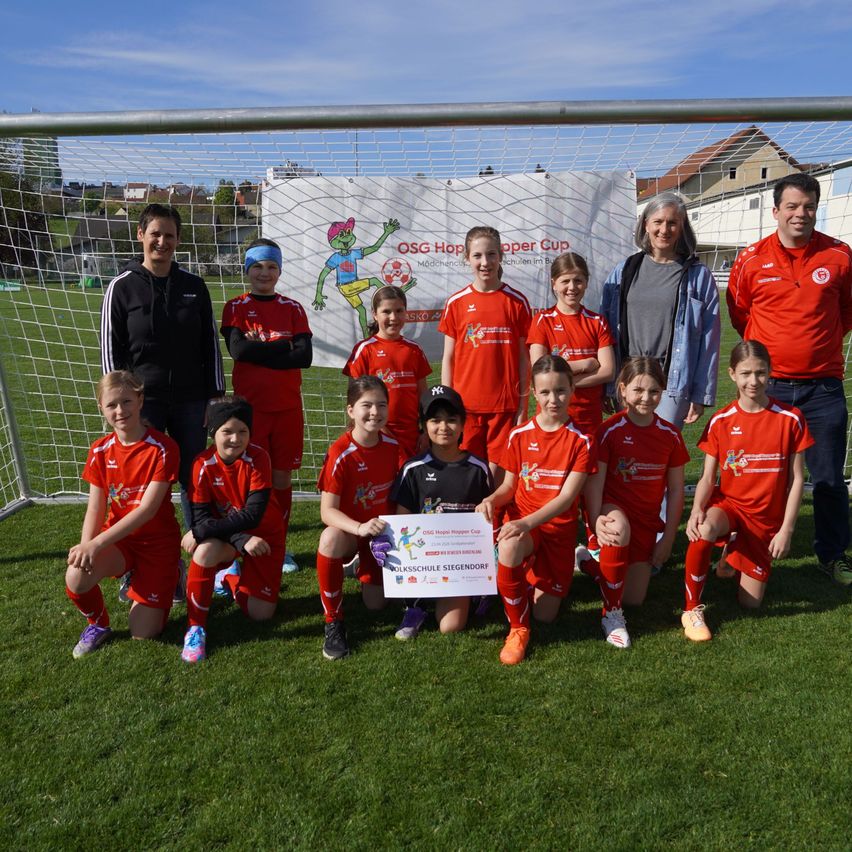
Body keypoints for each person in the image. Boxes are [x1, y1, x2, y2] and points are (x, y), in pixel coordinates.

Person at [726, 172, 852, 587]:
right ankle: (739, 550)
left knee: (829, 477)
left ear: (817, 209)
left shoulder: (840, 256)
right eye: (793, 206)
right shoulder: (750, 258)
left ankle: (833, 555)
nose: (801, 214)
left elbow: (847, 312)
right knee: (757, 476)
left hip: (823, 388)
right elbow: (740, 314)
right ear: (776, 210)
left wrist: (820, 344)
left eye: (809, 206)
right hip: (769, 387)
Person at [100, 203, 224, 599]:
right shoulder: (121, 286)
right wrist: (119, 405)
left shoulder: (194, 285)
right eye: (155, 233)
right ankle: (136, 567)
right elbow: (111, 353)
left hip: (191, 401)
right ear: (141, 235)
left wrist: (214, 397)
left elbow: (210, 345)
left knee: (193, 480)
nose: (162, 241)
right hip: (142, 405)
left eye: (169, 235)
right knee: (138, 487)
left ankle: (199, 563)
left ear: (178, 240)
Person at [681, 341, 813, 640]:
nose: (753, 381)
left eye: (760, 373)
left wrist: (786, 531)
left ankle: (731, 554)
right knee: (703, 531)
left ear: (770, 373)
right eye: (746, 373)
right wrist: (697, 510)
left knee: (750, 604)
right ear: (732, 374)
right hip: (730, 507)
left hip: (765, 519)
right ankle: (692, 610)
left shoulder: (791, 418)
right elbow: (706, 477)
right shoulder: (722, 420)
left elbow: (795, 481)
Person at [477, 355, 594, 665]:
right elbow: (509, 487)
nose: (553, 399)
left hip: (557, 531)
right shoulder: (519, 435)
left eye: (560, 391)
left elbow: (567, 499)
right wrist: (492, 500)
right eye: (544, 392)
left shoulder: (581, 441)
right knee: (510, 545)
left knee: (547, 615)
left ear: (572, 389)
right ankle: (518, 629)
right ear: (533, 392)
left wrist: (526, 522)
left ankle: (536, 575)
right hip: (524, 527)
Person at [64, 371, 181, 657]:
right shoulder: (100, 451)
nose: (120, 410)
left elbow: (146, 510)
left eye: (127, 401)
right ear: (101, 408)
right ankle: (98, 624)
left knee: (143, 634)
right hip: (120, 542)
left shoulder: (163, 448)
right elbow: (96, 507)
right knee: (76, 576)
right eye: (112, 405)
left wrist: (97, 544)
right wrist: (86, 546)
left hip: (157, 544)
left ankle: (173, 572)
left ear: (140, 401)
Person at [575, 358, 689, 648]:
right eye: (638, 390)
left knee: (635, 599)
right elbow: (594, 483)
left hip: (647, 524)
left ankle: (588, 563)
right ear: (623, 390)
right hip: (613, 514)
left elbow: (676, 490)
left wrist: (668, 539)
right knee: (618, 525)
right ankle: (611, 615)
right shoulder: (609, 431)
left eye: (653, 392)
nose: (646, 398)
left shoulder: (670, 436)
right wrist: (595, 521)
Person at [221, 238, 312, 573]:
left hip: (287, 407)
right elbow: (240, 352)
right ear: (247, 270)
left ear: (280, 270)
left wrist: (262, 347)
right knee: (249, 478)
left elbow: (304, 357)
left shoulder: (293, 308)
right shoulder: (236, 306)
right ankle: (242, 545)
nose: (264, 273)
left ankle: (279, 545)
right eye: (257, 266)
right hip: (249, 411)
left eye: (271, 266)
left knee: (281, 477)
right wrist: (282, 347)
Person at [600, 192, 720, 430]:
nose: (664, 229)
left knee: (661, 454)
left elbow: (709, 339)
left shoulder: (698, 276)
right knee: (627, 456)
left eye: (672, 222)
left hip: (672, 381)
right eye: (658, 222)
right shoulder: (624, 270)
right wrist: (609, 386)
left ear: (682, 227)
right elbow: (606, 329)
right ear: (646, 224)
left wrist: (701, 393)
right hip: (628, 378)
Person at [178, 397, 285, 663]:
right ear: (213, 432)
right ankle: (195, 628)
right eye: (227, 431)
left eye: (243, 431)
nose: (235, 439)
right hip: (236, 538)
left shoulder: (259, 458)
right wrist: (238, 538)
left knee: (261, 615)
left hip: (265, 537)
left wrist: (212, 533)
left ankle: (229, 579)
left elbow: (253, 514)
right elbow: (200, 517)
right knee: (203, 552)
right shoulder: (201, 464)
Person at [388, 385, 493, 639]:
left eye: (451, 420)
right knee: (378, 599)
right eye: (435, 420)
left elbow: (488, 521)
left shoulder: (478, 468)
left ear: (463, 424)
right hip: (425, 559)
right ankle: (415, 607)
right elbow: (403, 520)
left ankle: (476, 591)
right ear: (423, 424)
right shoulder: (413, 468)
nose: (444, 427)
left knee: (450, 626)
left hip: (460, 563)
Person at [315, 376, 399, 660]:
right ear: (351, 410)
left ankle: (360, 567)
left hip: (380, 537)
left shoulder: (393, 446)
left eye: (381, 405)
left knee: (376, 606)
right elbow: (326, 512)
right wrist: (360, 527)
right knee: (329, 539)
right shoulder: (341, 452)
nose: (375, 412)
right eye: (367, 405)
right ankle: (334, 621)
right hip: (352, 533)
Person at [439, 226, 532, 473]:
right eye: (477, 255)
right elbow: (448, 358)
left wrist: (523, 407)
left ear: (500, 255)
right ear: (467, 258)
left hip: (505, 407)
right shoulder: (456, 303)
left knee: (499, 473)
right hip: (466, 407)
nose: (485, 262)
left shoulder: (517, 302)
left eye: (491, 254)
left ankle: (497, 514)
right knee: (468, 471)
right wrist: (448, 403)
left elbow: (525, 359)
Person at [528, 251, 615, 436]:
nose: (572, 287)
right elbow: (539, 369)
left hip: (588, 417)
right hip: (552, 416)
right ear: (554, 283)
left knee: (586, 465)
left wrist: (564, 382)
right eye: (565, 281)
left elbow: (608, 371)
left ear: (586, 283)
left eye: (578, 280)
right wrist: (585, 364)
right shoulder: (543, 321)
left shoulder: (597, 321)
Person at [343, 285, 431, 464]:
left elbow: (423, 395)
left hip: (412, 436)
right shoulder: (365, 350)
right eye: (386, 311)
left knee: (410, 486)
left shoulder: (414, 350)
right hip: (376, 433)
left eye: (399, 311)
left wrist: (426, 431)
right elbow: (354, 398)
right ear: (375, 314)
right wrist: (378, 429)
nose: (393, 318)